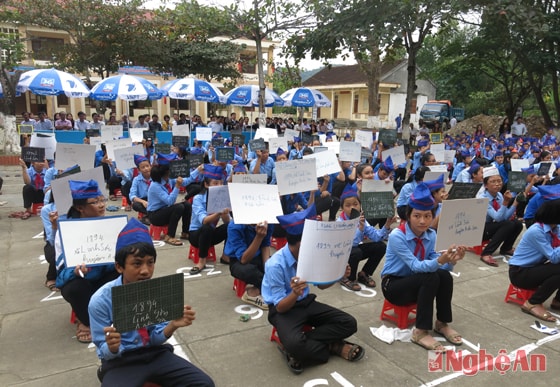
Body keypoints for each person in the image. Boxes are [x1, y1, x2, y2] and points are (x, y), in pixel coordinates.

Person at [88, 218, 215, 387]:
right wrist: (112, 347)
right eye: (137, 264)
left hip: (155, 355)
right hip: (122, 361)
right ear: (119, 267)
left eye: (150, 262)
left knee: (204, 384)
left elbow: (154, 339)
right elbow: (102, 349)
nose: (146, 271)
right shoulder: (101, 301)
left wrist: (172, 325)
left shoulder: (156, 291)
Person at [261, 204, 364, 374]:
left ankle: (301, 346)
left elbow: (322, 286)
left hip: (305, 303)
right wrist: (294, 293)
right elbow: (280, 307)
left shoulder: (310, 255)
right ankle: (333, 346)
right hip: (284, 310)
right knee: (296, 344)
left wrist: (338, 274)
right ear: (301, 243)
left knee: (349, 323)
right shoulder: (276, 265)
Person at [381, 183, 466, 350]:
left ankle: (442, 323)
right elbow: (415, 266)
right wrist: (441, 260)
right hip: (394, 285)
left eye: (427, 216)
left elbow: (436, 262)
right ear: (408, 215)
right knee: (430, 276)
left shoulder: (431, 235)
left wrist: (451, 260)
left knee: (445, 276)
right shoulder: (397, 236)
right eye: (417, 216)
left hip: (418, 282)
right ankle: (420, 331)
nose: (422, 221)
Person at [54, 180, 120, 343]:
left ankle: (114, 313)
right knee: (75, 286)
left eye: (102, 200)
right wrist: (75, 271)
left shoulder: (111, 226)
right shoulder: (66, 231)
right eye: (95, 202)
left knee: (125, 273)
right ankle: (86, 321)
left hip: (104, 279)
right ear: (80, 207)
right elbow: (60, 274)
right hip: (82, 283)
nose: (101, 205)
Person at [508, 199, 560, 323]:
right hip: (520, 273)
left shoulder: (556, 228)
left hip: (536, 268)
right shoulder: (537, 231)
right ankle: (533, 303)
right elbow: (553, 257)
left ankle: (558, 300)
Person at [337, 185, 394, 291]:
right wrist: (361, 229)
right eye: (348, 205)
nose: (352, 208)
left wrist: (386, 225)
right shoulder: (340, 223)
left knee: (380, 246)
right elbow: (350, 245)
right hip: (341, 255)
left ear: (360, 205)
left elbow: (376, 237)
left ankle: (364, 273)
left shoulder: (361, 219)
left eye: (355, 204)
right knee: (356, 251)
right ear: (342, 208)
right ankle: (347, 277)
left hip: (354, 251)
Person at [147, 153, 198, 246]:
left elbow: (185, 181)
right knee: (178, 207)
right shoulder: (155, 185)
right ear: (166, 172)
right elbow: (170, 201)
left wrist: (198, 170)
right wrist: (177, 186)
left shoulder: (168, 180)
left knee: (186, 205)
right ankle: (170, 235)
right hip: (155, 215)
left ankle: (185, 232)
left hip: (164, 210)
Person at [188, 165, 230, 275]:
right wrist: (219, 212)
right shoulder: (198, 198)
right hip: (196, 235)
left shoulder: (222, 197)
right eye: (215, 183)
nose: (219, 186)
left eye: (221, 183)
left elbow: (227, 222)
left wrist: (225, 213)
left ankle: (226, 256)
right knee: (206, 228)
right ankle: (201, 261)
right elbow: (205, 221)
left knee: (232, 226)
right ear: (206, 185)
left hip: (211, 234)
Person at [477, 166, 523, 266]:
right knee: (508, 225)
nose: (497, 184)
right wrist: (506, 202)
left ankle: (506, 248)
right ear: (485, 185)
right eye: (493, 182)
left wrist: (515, 203)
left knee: (517, 224)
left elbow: (504, 217)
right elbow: (498, 218)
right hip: (480, 228)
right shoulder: (482, 198)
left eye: (499, 181)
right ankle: (486, 253)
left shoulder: (499, 195)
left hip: (491, 225)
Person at [225, 217, 272, 310]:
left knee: (277, 266)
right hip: (238, 261)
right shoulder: (235, 226)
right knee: (249, 271)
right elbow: (244, 259)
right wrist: (259, 237)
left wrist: (268, 269)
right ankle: (252, 293)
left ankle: (259, 289)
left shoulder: (267, 220)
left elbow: (265, 245)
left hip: (258, 257)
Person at [129, 154, 152, 224]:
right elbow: (132, 196)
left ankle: (148, 217)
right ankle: (150, 216)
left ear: (150, 166)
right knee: (135, 205)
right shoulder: (136, 179)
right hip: (143, 200)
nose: (146, 169)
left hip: (155, 199)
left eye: (147, 166)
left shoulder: (155, 177)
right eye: (143, 167)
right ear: (139, 169)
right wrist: (143, 202)